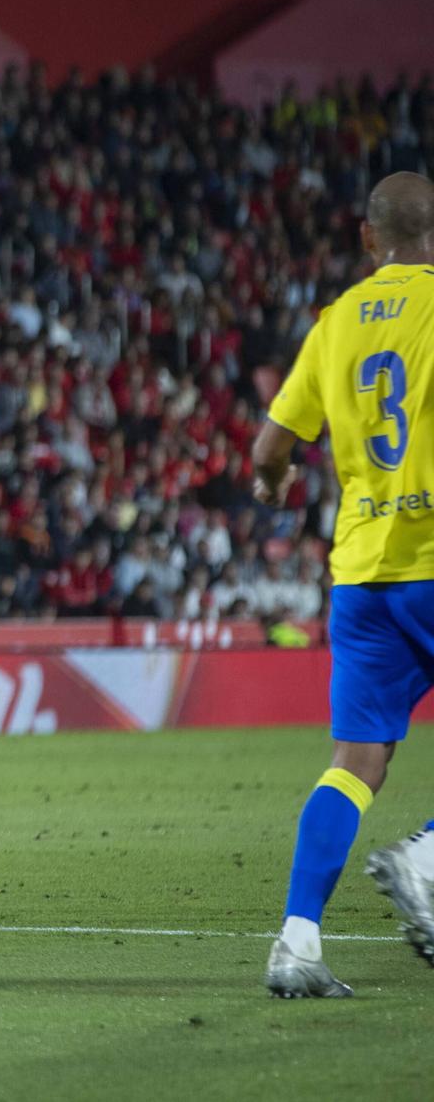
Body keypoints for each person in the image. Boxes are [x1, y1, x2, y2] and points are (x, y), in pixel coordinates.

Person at [253, 171, 434, 998]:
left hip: (361, 573)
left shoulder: (335, 325)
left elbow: (270, 448)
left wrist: (273, 480)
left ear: (369, 237)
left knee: (355, 762)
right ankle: (425, 857)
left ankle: (296, 942)